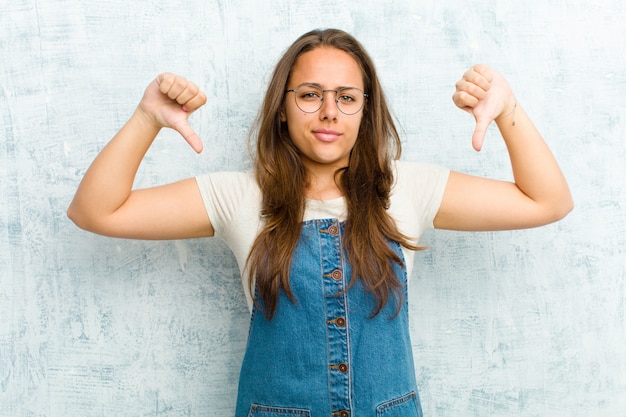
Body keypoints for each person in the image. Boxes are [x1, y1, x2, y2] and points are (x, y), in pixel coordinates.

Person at [68, 28, 572, 417]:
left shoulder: (408, 188)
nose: (329, 111)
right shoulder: (239, 195)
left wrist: (508, 108)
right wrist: (147, 116)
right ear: (282, 109)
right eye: (309, 94)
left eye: (346, 97)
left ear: (363, 112)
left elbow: (547, 201)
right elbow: (95, 211)